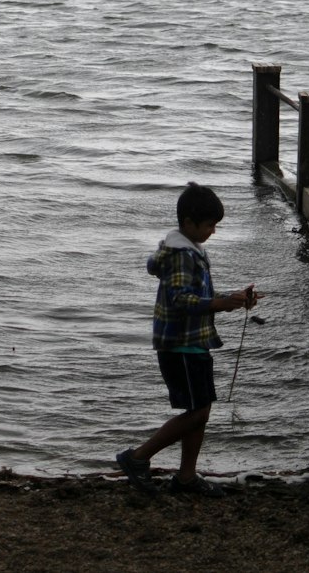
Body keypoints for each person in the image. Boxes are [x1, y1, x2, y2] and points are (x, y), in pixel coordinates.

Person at [115, 181, 257, 498]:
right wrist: (217, 304)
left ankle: (186, 477)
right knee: (196, 412)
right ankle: (137, 458)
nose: (213, 232)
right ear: (189, 223)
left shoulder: (191, 250)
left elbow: (198, 296)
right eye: (209, 225)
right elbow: (181, 299)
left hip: (193, 342)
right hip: (180, 345)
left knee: (201, 409)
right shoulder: (181, 255)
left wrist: (231, 299)